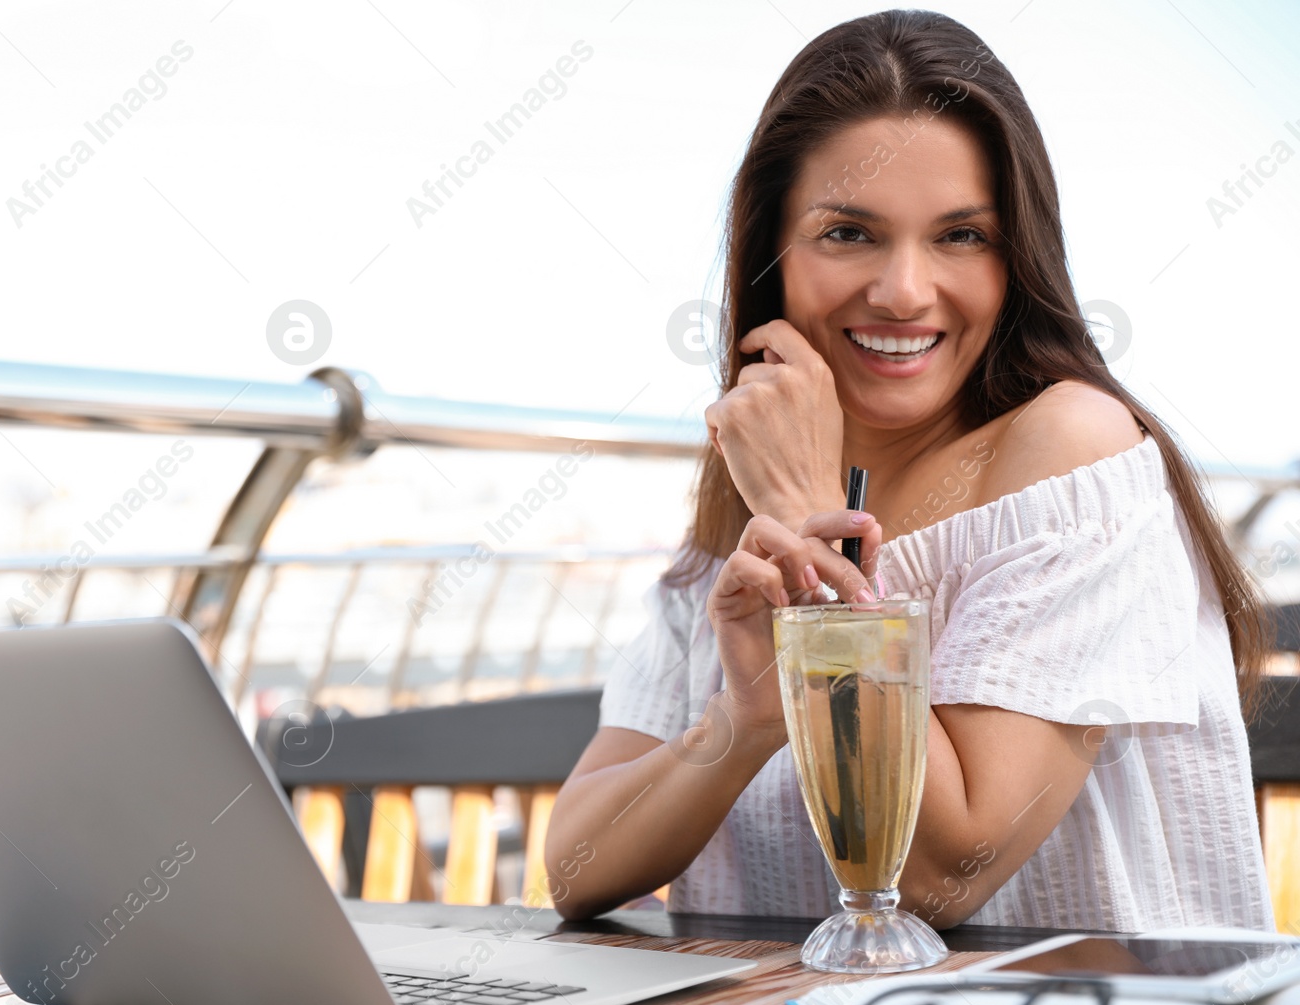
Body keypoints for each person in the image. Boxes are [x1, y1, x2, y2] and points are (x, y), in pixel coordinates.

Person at [543, 9, 1273, 932]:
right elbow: (575, 865)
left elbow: (940, 874)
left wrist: (814, 546)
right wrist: (748, 722)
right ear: (772, 254)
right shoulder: (750, 496)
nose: (903, 290)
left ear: (1018, 257)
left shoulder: (1071, 449)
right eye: (849, 232)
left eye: (961, 236)